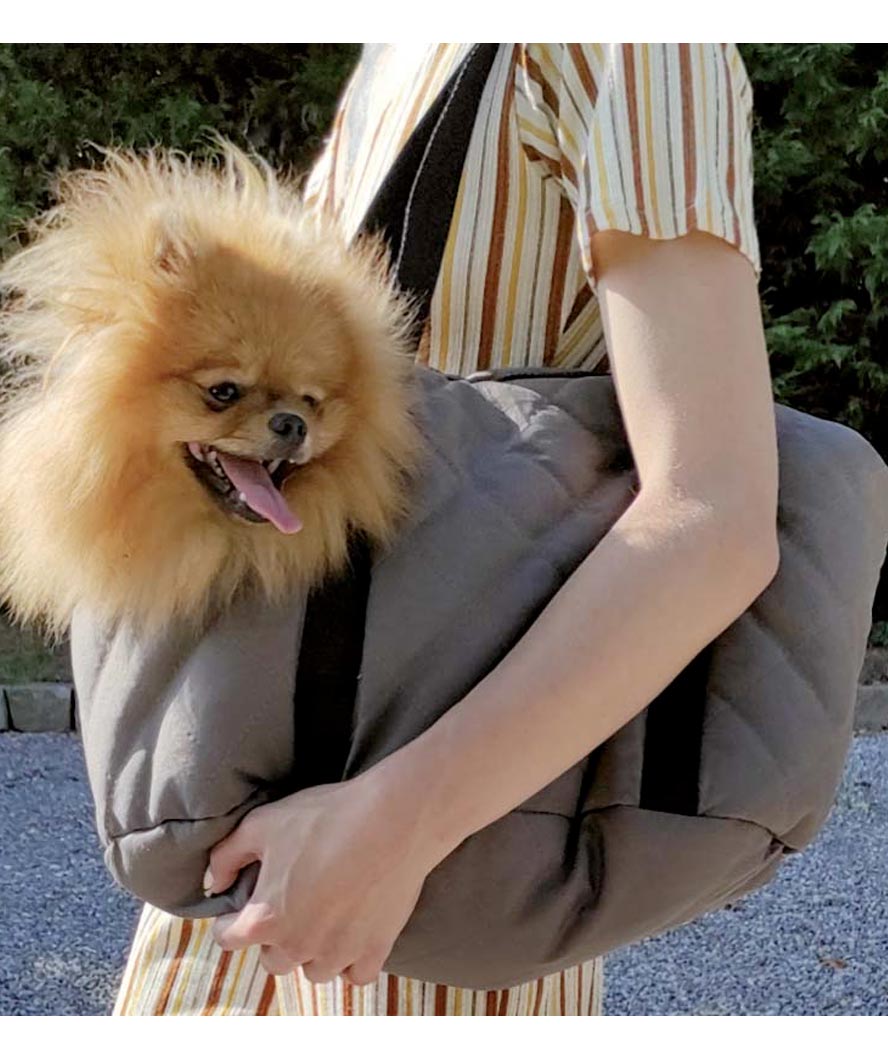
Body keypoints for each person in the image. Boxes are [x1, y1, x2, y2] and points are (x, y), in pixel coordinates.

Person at [112, 43, 778, 1016]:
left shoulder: (632, 45)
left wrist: (395, 825)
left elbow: (714, 518)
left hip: (414, 873)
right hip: (268, 825)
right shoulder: (401, 51)